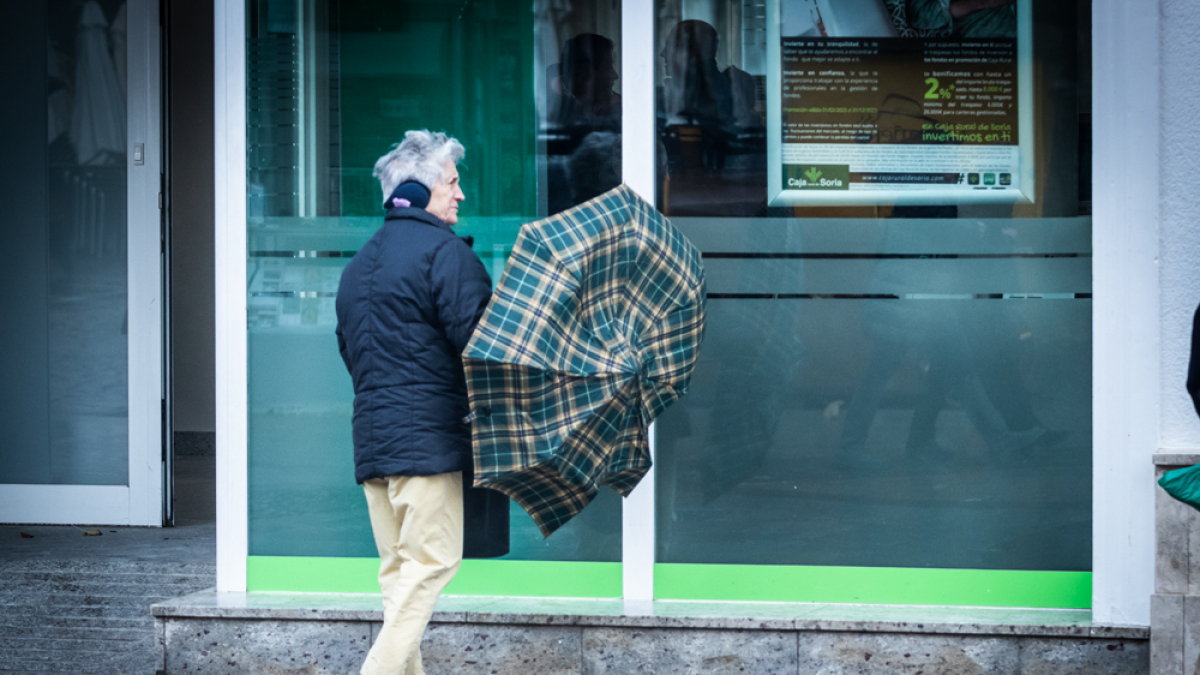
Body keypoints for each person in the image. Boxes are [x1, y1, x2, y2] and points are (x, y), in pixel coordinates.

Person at [335, 130, 491, 675]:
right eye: (452, 182)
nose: (461, 194)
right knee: (432, 563)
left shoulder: (358, 265)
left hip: (374, 443)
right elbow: (479, 349)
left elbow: (350, 351)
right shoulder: (446, 255)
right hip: (427, 444)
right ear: (421, 193)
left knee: (400, 575)